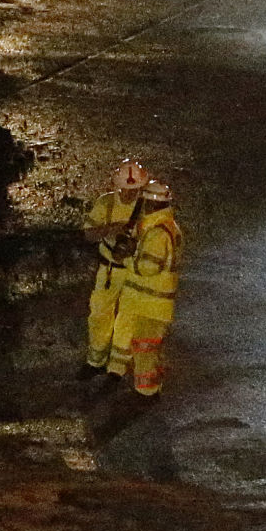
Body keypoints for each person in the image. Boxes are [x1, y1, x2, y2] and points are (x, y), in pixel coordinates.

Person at [83, 159, 182, 397]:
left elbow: (150, 255)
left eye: (134, 190)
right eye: (126, 190)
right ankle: (95, 360)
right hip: (109, 270)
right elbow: (88, 234)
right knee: (99, 314)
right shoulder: (106, 203)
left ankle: (116, 369)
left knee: (127, 321)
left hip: (132, 273)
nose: (130, 195)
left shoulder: (148, 209)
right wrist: (111, 229)